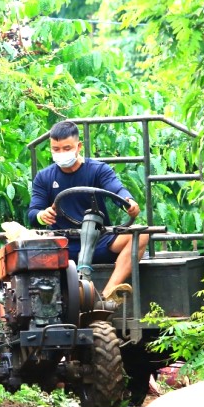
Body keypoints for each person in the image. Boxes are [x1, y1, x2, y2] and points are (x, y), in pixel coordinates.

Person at [28, 120, 149, 305]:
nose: (61, 153)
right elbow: (33, 213)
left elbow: (117, 190)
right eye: (56, 149)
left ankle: (108, 294)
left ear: (78, 146)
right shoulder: (44, 177)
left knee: (141, 235)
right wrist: (41, 215)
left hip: (99, 240)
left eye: (66, 148)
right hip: (62, 246)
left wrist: (129, 202)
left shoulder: (98, 170)